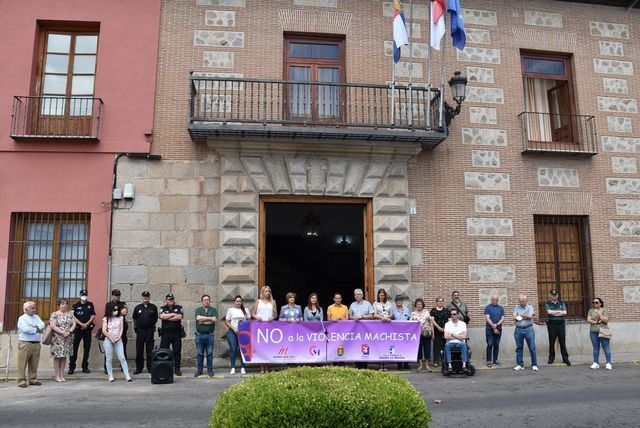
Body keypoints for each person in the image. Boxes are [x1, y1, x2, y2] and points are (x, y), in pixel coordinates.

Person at [16, 301, 45, 388]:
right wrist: (36, 329)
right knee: (22, 363)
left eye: (35, 308)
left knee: (34, 363)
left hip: (36, 343)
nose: (34, 310)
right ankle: (21, 381)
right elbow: (25, 329)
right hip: (25, 344)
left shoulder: (37, 317)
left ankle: (33, 379)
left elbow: (42, 324)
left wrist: (36, 326)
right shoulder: (22, 318)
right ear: (26, 309)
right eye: (32, 308)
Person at [102, 301, 132, 382]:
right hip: (108, 340)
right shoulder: (106, 319)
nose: (115, 311)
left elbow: (121, 329)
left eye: (116, 309)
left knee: (122, 357)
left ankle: (127, 375)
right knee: (109, 358)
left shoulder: (120, 318)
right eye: (114, 309)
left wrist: (118, 337)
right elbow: (104, 330)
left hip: (118, 340)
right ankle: (110, 375)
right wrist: (111, 338)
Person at [68, 288, 95, 375]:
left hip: (87, 329)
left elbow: (93, 315)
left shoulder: (90, 304)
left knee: (87, 348)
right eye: (83, 295)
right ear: (80, 296)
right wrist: (81, 324)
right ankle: (72, 367)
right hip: (78, 329)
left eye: (85, 295)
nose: (84, 296)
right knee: (74, 348)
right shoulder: (75, 305)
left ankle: (85, 366)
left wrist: (86, 324)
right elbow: (73, 316)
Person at [49, 299, 76, 382]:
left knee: (64, 357)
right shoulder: (54, 314)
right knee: (57, 357)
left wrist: (69, 332)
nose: (64, 305)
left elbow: (74, 324)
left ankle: (62, 375)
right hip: (57, 338)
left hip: (67, 338)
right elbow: (52, 325)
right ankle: (57, 375)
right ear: (59, 305)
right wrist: (62, 332)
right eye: (62, 304)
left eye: (65, 304)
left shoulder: (70, 314)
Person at [132, 290, 158, 375]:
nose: (145, 298)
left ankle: (150, 368)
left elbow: (155, 318)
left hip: (150, 331)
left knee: (149, 350)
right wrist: (136, 327)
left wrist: (151, 324)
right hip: (140, 331)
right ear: (142, 298)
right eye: (144, 296)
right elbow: (134, 318)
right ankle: (139, 368)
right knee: (139, 350)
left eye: (147, 296)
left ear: (149, 297)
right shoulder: (138, 307)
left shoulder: (153, 307)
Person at [253, 285, 277, 374]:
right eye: (265, 291)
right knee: (261, 347)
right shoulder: (258, 301)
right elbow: (253, 313)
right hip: (259, 327)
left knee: (268, 347)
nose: (267, 293)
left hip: (269, 327)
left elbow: (275, 314)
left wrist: (273, 317)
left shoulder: (273, 302)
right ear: (262, 292)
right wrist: (257, 317)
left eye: (268, 291)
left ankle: (267, 366)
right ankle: (262, 366)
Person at [159, 293, 184, 376]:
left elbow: (179, 317)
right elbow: (162, 317)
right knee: (164, 351)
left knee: (177, 351)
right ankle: (165, 368)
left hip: (176, 334)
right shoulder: (162, 308)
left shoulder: (179, 307)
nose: (171, 300)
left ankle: (177, 369)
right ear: (166, 300)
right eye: (169, 299)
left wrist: (168, 317)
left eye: (172, 299)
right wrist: (173, 314)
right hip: (165, 334)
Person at [104, 289, 128, 374]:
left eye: (119, 295)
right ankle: (107, 368)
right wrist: (119, 313)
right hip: (110, 330)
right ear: (112, 295)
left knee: (122, 349)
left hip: (121, 330)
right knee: (108, 352)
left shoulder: (122, 304)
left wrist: (115, 313)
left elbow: (125, 312)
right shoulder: (108, 304)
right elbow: (107, 314)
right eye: (116, 295)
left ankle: (123, 367)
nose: (118, 296)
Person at [225, 295, 251, 375]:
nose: (238, 302)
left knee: (242, 350)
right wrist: (234, 328)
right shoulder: (230, 310)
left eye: (240, 301)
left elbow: (249, 320)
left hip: (243, 333)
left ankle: (243, 367)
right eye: (237, 301)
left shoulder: (245, 310)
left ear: (242, 302)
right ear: (234, 302)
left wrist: (244, 327)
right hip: (232, 332)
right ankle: (233, 367)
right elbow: (227, 322)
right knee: (233, 349)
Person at [544, 289, 570, 366]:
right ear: (550, 296)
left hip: (561, 324)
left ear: (557, 295)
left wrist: (554, 313)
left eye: (555, 295)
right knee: (552, 342)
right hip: (552, 325)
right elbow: (549, 312)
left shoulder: (562, 303)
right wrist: (559, 312)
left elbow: (565, 313)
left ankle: (565, 359)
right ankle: (551, 358)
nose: (554, 296)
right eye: (552, 295)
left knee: (562, 341)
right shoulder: (547, 303)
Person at [349, 288, 373, 369]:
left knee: (365, 346)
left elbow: (372, 315)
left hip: (365, 330)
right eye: (355, 294)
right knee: (356, 346)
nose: (357, 296)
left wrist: (362, 317)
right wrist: (353, 318)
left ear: (362, 295)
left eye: (358, 294)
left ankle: (365, 365)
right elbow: (349, 316)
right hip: (355, 330)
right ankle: (357, 365)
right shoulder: (352, 305)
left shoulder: (367, 304)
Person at [194, 294, 218, 377]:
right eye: (204, 300)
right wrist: (210, 318)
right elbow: (198, 319)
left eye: (208, 299)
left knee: (209, 353)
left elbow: (214, 320)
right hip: (199, 335)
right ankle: (199, 370)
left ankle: (210, 370)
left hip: (210, 335)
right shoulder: (198, 310)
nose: (206, 301)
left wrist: (203, 321)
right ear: (202, 301)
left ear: (210, 301)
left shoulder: (213, 310)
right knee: (200, 353)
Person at [513, 294, 538, 371]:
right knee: (519, 348)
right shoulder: (516, 307)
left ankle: (534, 364)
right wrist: (525, 315)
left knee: (532, 347)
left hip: (528, 329)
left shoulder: (530, 307)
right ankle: (520, 364)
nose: (521, 302)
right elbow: (514, 317)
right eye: (520, 301)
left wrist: (519, 315)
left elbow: (530, 316)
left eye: (523, 301)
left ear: (526, 301)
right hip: (518, 330)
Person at [587, 297, 612, 370]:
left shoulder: (604, 310)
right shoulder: (591, 310)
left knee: (606, 347)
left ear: (600, 303)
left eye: (596, 302)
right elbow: (588, 320)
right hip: (593, 331)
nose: (595, 304)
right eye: (593, 302)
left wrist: (598, 313)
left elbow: (606, 320)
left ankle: (608, 363)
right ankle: (596, 363)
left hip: (603, 331)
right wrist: (597, 322)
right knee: (595, 347)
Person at [410, 298, 433, 372]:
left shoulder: (426, 312)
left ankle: (426, 365)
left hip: (426, 334)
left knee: (427, 348)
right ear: (415, 305)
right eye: (417, 304)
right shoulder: (413, 314)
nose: (419, 305)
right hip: (417, 334)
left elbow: (430, 322)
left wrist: (433, 332)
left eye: (420, 304)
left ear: (423, 305)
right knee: (419, 349)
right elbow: (411, 324)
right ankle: (420, 365)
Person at [372, 288, 392, 371]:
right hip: (379, 325)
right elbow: (375, 315)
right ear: (378, 296)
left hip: (387, 325)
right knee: (379, 344)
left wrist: (387, 317)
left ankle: (386, 363)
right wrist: (383, 318)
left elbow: (391, 314)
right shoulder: (375, 303)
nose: (382, 297)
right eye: (380, 295)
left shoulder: (389, 303)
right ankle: (380, 363)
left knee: (386, 344)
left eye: (383, 295)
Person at [484, 294, 505, 367]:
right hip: (489, 329)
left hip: (498, 328)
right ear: (491, 300)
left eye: (496, 300)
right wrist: (493, 326)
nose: (495, 301)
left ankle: (495, 360)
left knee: (496, 344)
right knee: (490, 344)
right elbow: (487, 318)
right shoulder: (487, 308)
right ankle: (489, 361)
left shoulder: (501, 308)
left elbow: (502, 318)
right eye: (494, 300)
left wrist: (496, 325)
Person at [392, 294, 411, 370]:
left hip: (406, 331)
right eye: (397, 300)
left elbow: (410, 319)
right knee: (398, 347)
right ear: (395, 302)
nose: (398, 302)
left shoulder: (407, 310)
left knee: (406, 347)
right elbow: (391, 319)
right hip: (396, 332)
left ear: (402, 301)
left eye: (400, 300)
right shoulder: (393, 310)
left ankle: (406, 363)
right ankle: (399, 364)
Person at [430, 297, 450, 367]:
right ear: (436, 302)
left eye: (442, 301)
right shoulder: (433, 311)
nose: (440, 302)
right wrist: (437, 328)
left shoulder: (446, 311)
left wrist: (444, 328)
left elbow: (449, 320)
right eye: (439, 301)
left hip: (445, 331)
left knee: (444, 346)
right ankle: (436, 361)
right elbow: (432, 321)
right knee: (436, 347)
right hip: (436, 331)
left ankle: (443, 361)